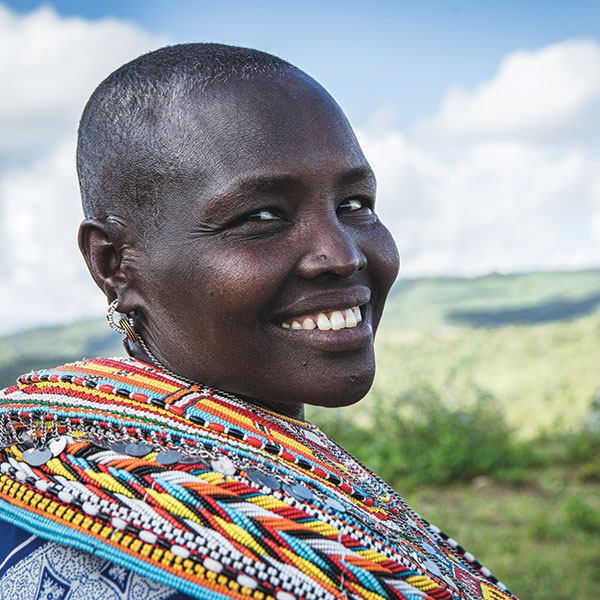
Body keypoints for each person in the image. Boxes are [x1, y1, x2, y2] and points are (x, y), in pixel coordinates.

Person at [0, 44, 516, 600]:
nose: (342, 255)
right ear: (115, 265)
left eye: (354, 204)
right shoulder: (94, 535)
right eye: (262, 216)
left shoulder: (288, 475)